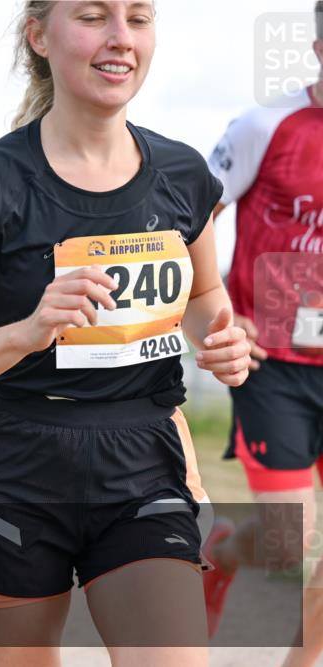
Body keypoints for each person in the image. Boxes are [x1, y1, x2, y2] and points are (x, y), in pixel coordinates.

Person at [0, 2, 252, 665]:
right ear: (38, 35)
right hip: (20, 467)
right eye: (94, 16)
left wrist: (219, 334)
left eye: (139, 18)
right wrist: (30, 330)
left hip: (143, 458)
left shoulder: (183, 177)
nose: (121, 37)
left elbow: (204, 295)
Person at [201, 3, 323, 662]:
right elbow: (193, 215)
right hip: (272, 362)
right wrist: (223, 310)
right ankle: (224, 550)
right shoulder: (264, 125)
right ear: (319, 50)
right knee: (288, 543)